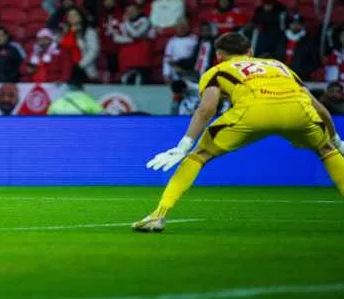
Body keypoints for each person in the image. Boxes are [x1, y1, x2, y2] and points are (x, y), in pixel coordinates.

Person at [133, 32, 344, 232]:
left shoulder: (218, 70)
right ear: (250, 51)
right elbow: (319, 107)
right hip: (298, 110)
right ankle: (332, 148)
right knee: (326, 150)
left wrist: (183, 146)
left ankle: (158, 216)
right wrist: (337, 140)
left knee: (198, 156)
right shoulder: (279, 66)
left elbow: (207, 109)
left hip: (254, 112)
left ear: (219, 55)